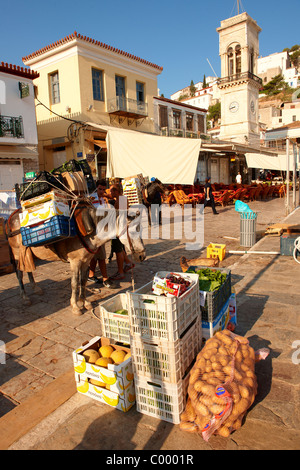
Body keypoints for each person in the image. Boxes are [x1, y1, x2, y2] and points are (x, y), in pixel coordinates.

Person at [88, 179, 116, 288]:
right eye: (100, 189)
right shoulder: (92, 198)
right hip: (95, 232)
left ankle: (91, 275)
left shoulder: (103, 200)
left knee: (95, 256)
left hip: (101, 230)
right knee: (101, 256)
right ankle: (105, 278)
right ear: (96, 188)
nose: (102, 191)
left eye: (104, 189)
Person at [108, 185, 135, 281]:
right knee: (120, 248)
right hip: (120, 227)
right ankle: (128, 263)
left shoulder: (121, 200)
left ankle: (120, 272)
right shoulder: (121, 198)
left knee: (118, 250)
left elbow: (122, 216)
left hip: (119, 228)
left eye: (111, 191)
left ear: (116, 191)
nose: (110, 193)